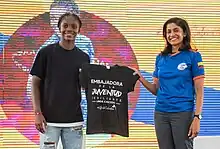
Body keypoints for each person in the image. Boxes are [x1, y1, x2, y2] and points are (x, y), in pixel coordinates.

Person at [132, 17, 205, 149]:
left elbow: (199, 91)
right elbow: (156, 90)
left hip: (182, 113)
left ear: (184, 33)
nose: (172, 35)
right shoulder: (160, 58)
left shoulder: (193, 56)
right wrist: (141, 78)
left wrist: (197, 117)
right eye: (168, 32)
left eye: (176, 30)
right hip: (161, 114)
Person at [30, 12, 90, 149]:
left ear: (79, 30)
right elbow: (35, 84)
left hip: (74, 122)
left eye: (74, 26)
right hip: (48, 122)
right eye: (65, 25)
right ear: (59, 28)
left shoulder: (84, 58)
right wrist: (37, 113)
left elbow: (86, 87)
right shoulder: (45, 53)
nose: (69, 29)